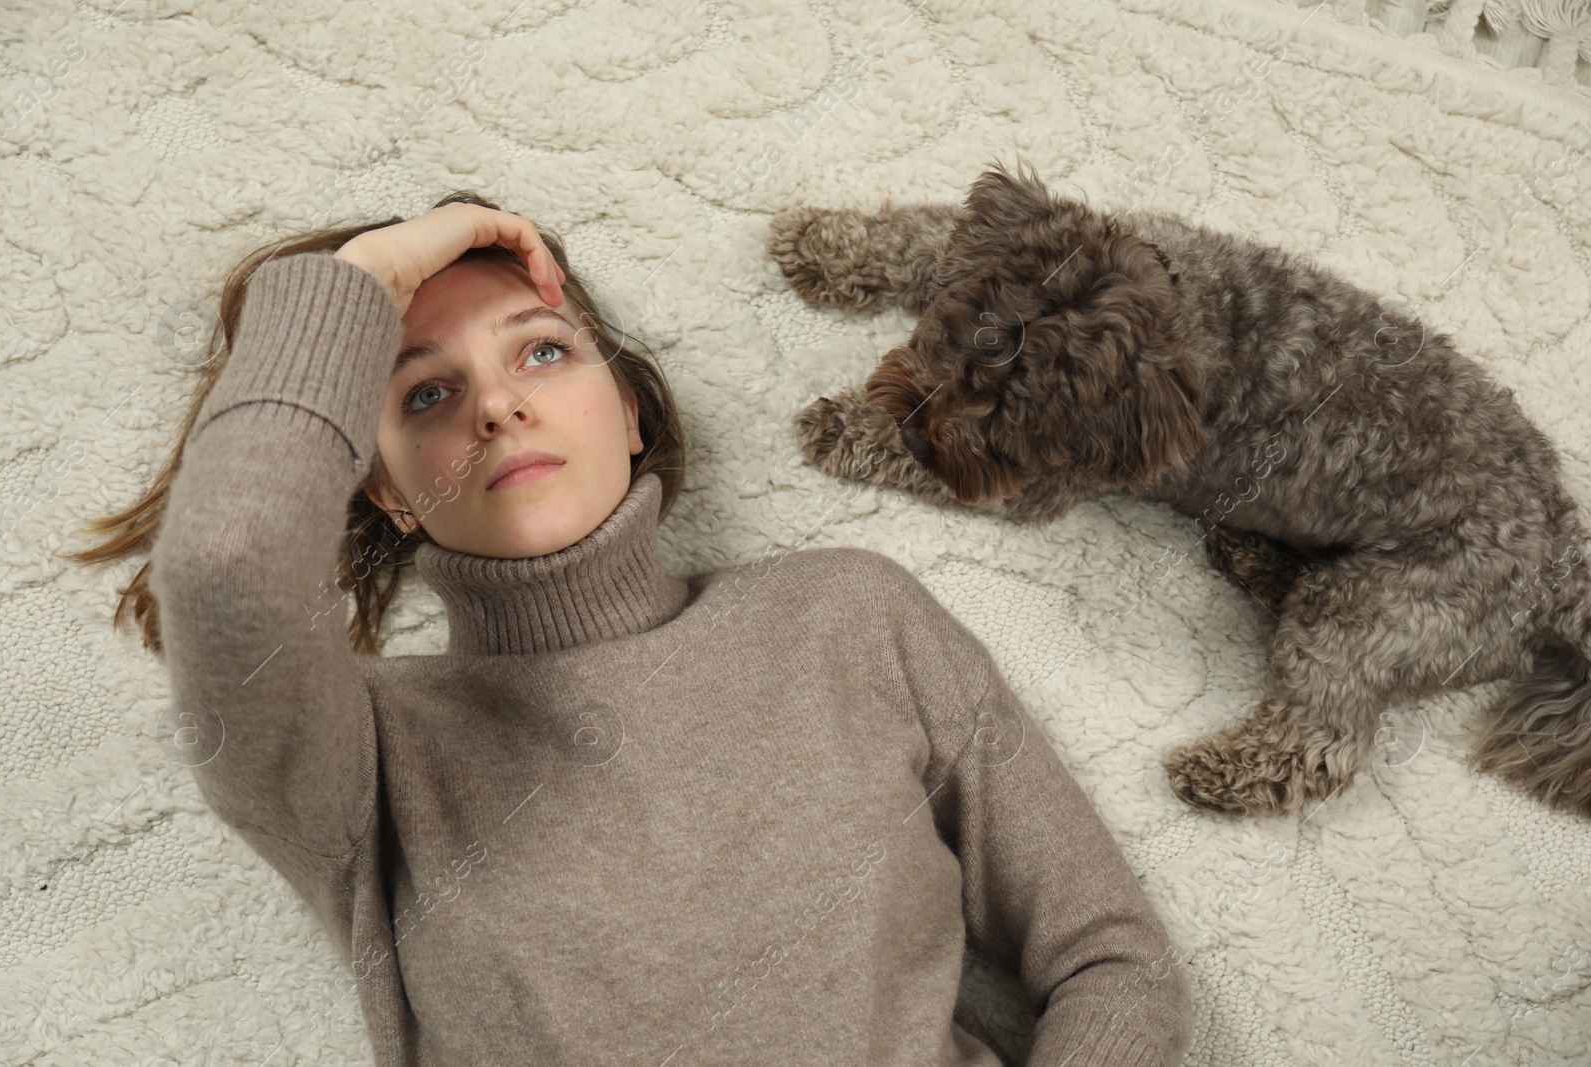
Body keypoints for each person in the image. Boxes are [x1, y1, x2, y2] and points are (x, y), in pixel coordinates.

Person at [68, 193, 1194, 1065]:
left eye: (542, 350)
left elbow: (1111, 960)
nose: (498, 405)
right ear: (384, 492)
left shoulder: (849, 615)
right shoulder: (360, 757)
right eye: (423, 394)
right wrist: (358, 280)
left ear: (633, 408)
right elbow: (226, 568)